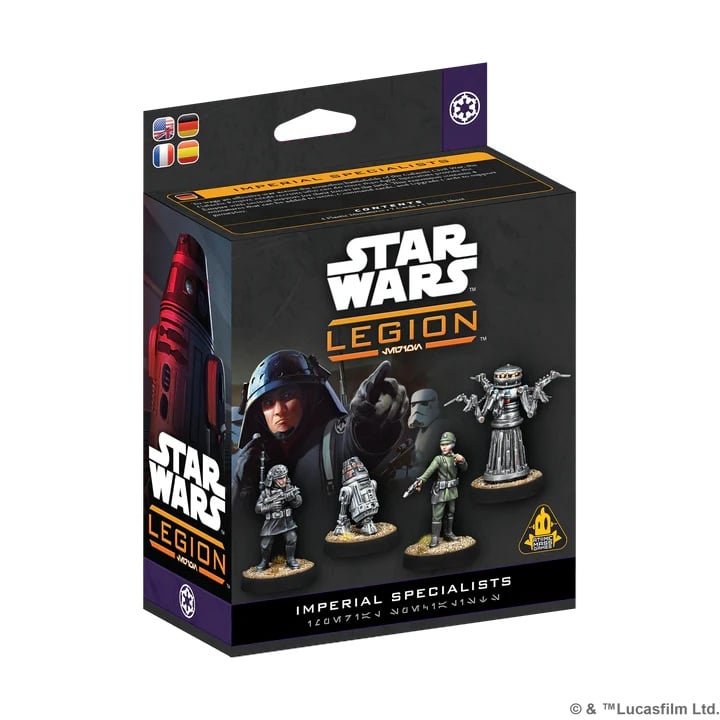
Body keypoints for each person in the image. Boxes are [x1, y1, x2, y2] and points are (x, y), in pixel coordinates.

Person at [232, 350, 409, 576]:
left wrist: (370, 422)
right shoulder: (255, 460)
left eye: (287, 395)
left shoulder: (332, 438)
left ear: (308, 396)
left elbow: (356, 439)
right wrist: (243, 486)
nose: (279, 411)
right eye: (268, 402)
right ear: (260, 413)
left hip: (346, 569)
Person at [414, 431, 467, 547]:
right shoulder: (438, 459)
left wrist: (462, 460)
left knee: (451, 512)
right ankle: (435, 537)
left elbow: (464, 468)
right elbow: (429, 471)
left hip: (452, 490)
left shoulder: (455, 458)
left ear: (452, 444)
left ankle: (448, 533)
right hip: (441, 491)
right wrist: (421, 480)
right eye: (442, 444)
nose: (444, 447)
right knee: (437, 515)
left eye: (447, 444)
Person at [254, 464, 302, 570]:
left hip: (286, 520)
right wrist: (270, 507)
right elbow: (257, 508)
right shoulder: (266, 493)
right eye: (280, 479)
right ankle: (264, 562)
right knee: (265, 544)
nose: (283, 481)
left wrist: (292, 498)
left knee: (292, 538)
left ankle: (290, 559)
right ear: (273, 480)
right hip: (271, 521)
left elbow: (298, 503)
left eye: (284, 477)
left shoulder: (288, 488)